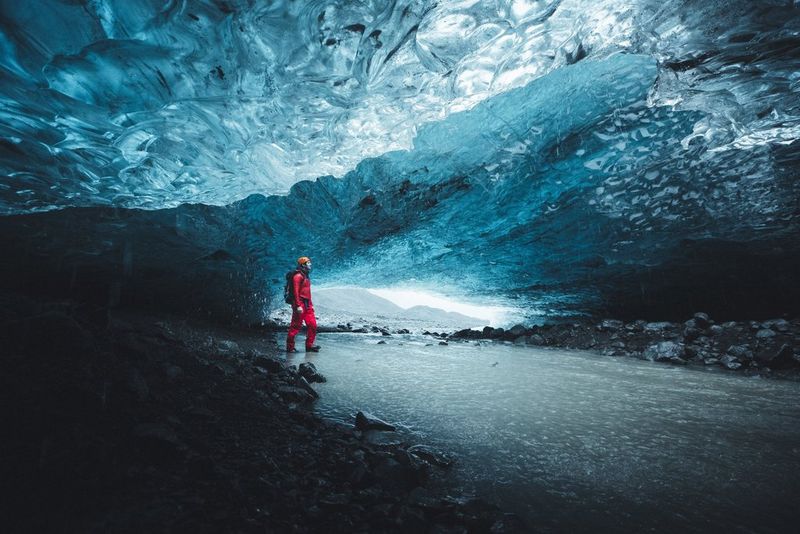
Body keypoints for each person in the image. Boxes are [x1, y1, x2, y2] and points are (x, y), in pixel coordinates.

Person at [286, 256, 320, 353]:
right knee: (295, 326)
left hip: (307, 303)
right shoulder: (298, 276)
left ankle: (309, 346)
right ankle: (290, 347)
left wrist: (310, 304)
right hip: (299, 303)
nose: (310, 265)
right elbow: (296, 292)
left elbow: (307, 292)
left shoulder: (306, 275)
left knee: (312, 325)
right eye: (308, 263)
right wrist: (297, 306)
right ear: (303, 264)